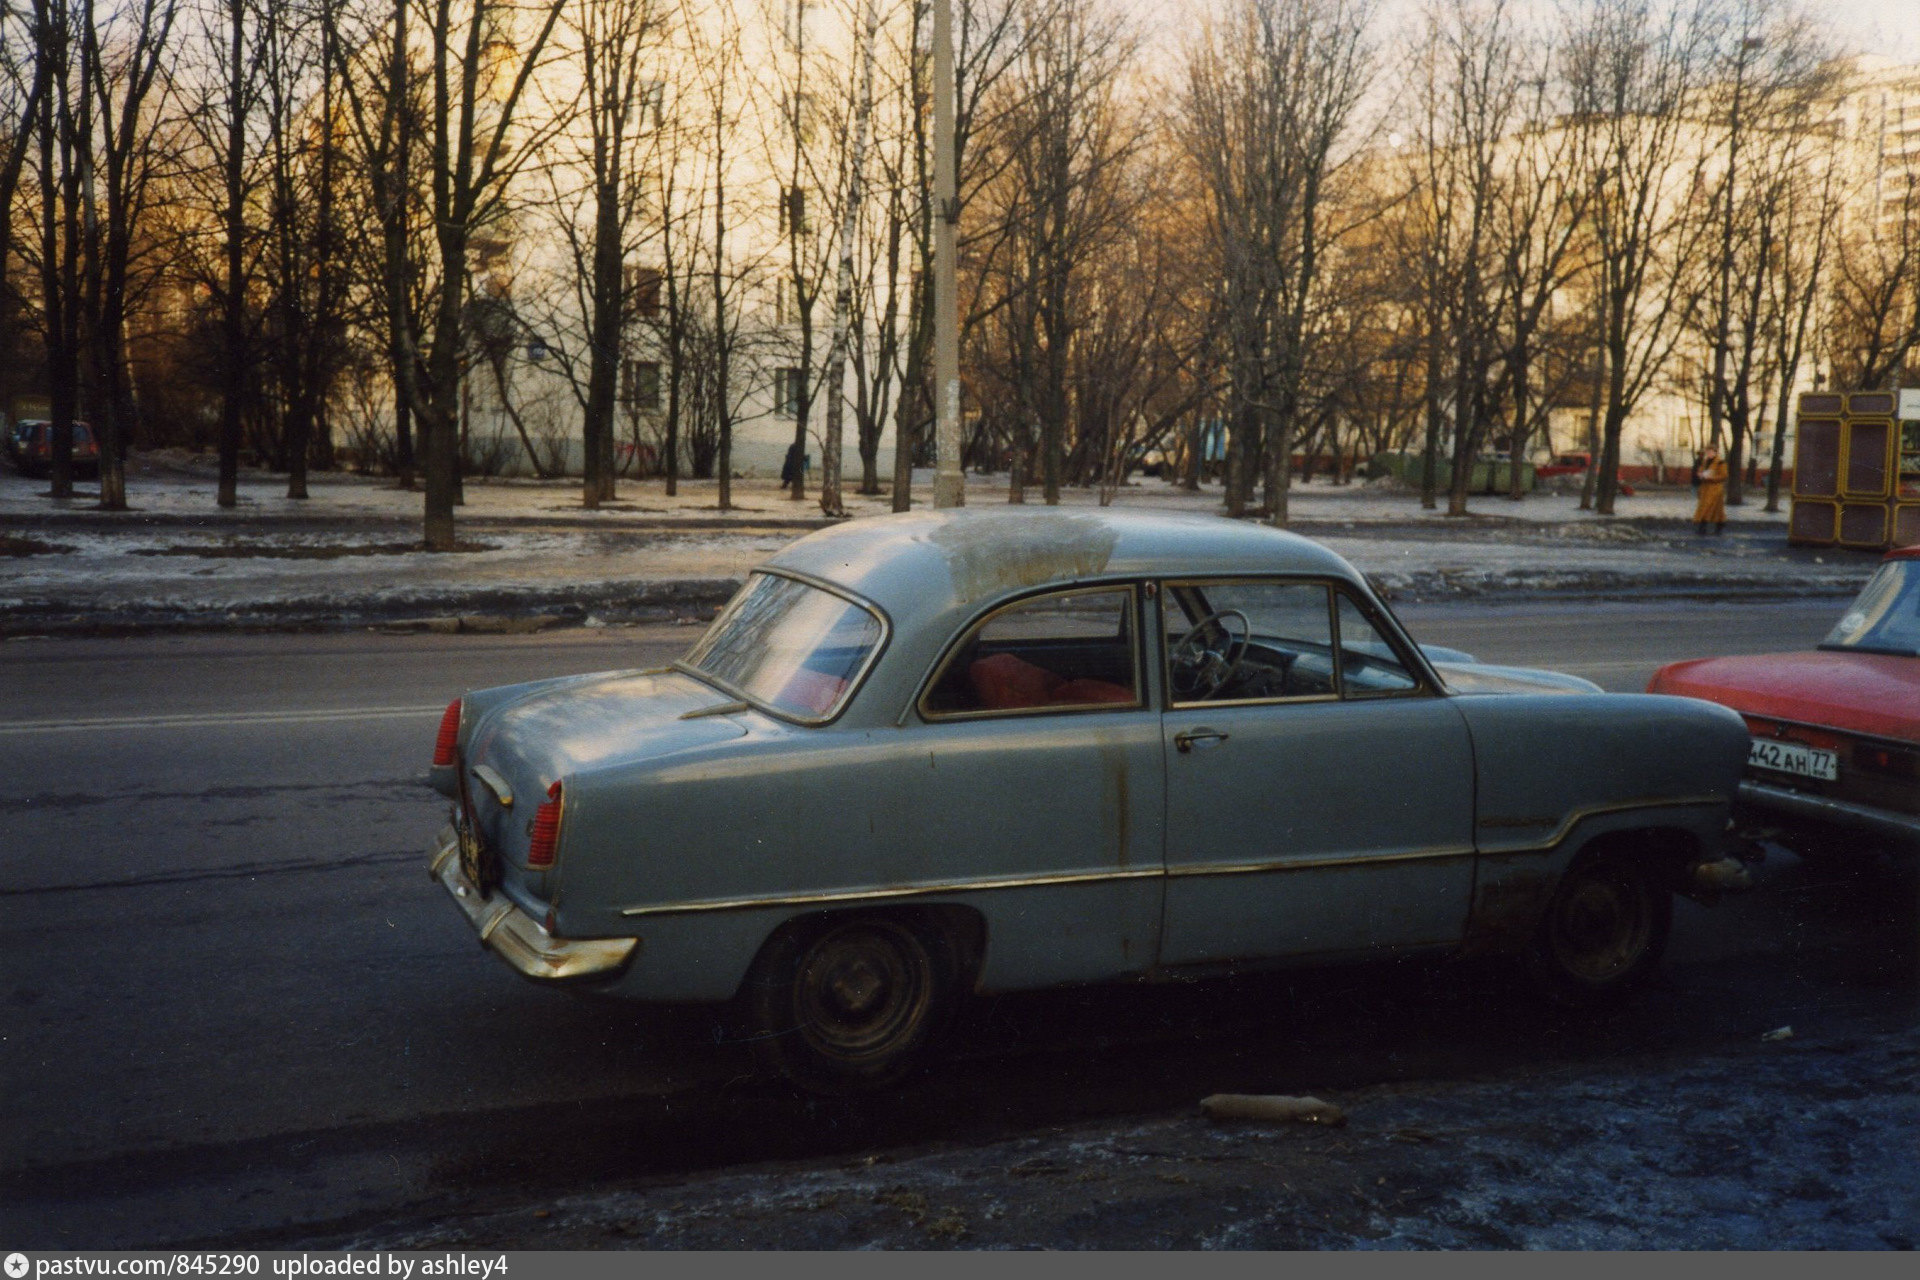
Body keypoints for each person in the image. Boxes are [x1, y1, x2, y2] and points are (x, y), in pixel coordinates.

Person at [1693, 445, 1727, 535]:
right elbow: (1700, 470)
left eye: (1710, 452)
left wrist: (1711, 478)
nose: (1709, 454)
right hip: (1705, 489)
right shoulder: (1705, 462)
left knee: (1711, 509)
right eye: (1707, 452)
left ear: (1715, 452)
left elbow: (1723, 475)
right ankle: (1704, 527)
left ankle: (1716, 526)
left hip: (1715, 489)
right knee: (1705, 508)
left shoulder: (1720, 462)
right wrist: (1700, 474)